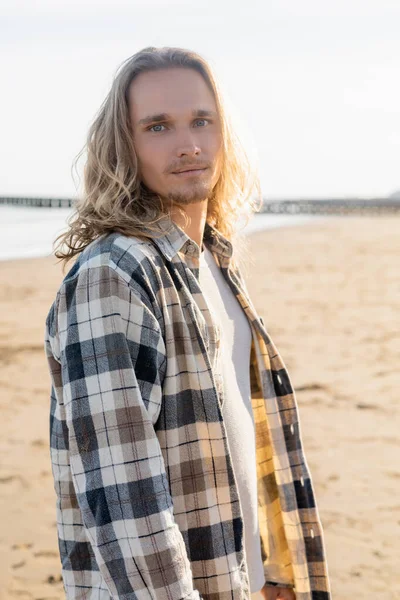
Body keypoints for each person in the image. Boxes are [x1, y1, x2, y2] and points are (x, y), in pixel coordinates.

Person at [44, 46, 331, 600]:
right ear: (124, 146)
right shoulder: (113, 276)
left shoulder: (214, 262)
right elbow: (127, 502)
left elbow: (234, 435)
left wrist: (270, 571)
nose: (189, 144)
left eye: (203, 120)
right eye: (158, 126)